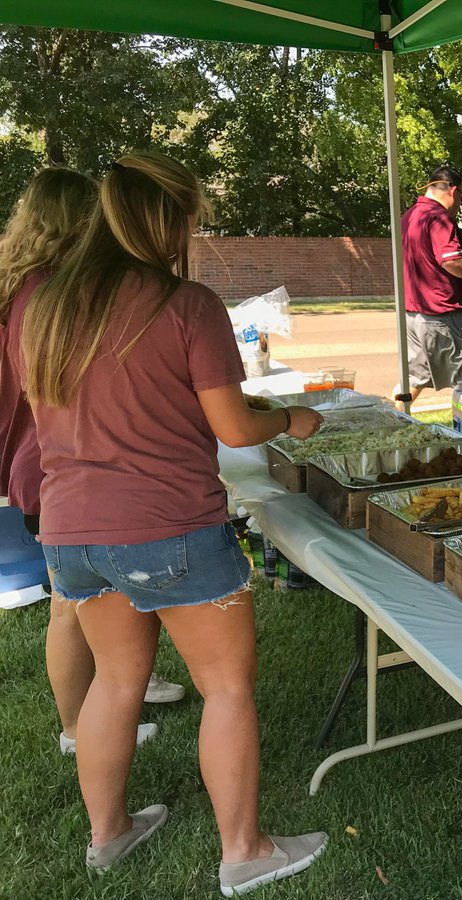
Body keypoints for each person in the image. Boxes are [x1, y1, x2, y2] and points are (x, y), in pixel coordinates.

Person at [18, 152, 328, 894]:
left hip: (71, 530)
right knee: (226, 687)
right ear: (167, 220)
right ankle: (245, 851)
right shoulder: (186, 304)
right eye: (191, 222)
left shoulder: (43, 305)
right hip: (170, 527)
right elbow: (234, 426)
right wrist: (291, 419)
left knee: (115, 680)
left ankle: (108, 834)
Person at [0, 168, 187, 758]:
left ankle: (119, 684)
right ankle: (80, 727)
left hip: (50, 462)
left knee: (90, 596)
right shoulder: (49, 291)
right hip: (59, 464)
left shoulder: (29, 282)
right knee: (71, 603)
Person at [397, 164, 462, 404]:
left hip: (413, 315)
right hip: (445, 316)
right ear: (453, 190)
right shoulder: (439, 217)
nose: (460, 203)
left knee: (414, 379)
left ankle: (391, 420)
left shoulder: (409, 216)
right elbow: (451, 261)